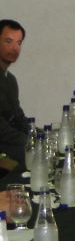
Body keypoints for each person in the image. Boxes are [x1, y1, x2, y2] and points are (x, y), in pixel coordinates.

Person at [0, 19, 29, 169]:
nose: (15, 48)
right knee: (34, 155)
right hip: (3, 145)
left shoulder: (10, 80)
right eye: (8, 41)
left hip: (8, 142)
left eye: (19, 43)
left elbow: (17, 115)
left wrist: (38, 135)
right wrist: (30, 142)